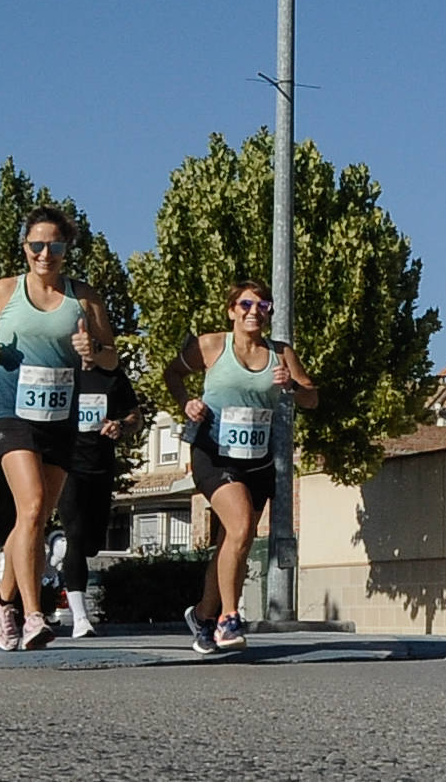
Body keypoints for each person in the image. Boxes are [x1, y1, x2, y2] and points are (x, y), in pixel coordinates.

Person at [0, 205, 118, 651]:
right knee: (31, 507)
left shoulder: (84, 298)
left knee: (34, 517)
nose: (44, 253)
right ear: (25, 248)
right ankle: (33, 615)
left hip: (60, 418)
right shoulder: (3, 291)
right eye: (36, 245)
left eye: (54, 245)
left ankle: (1, 597)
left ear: (66, 249)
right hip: (11, 411)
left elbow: (110, 358)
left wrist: (94, 351)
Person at [164, 280, 317, 653]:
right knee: (242, 526)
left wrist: (292, 388)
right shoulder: (211, 345)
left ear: (269, 313)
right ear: (232, 310)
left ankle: (202, 616)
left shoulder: (280, 353)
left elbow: (312, 397)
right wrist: (187, 402)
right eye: (246, 304)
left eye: (262, 305)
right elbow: (173, 374)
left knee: (235, 541)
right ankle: (229, 618)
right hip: (213, 452)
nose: (254, 311)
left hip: (257, 458)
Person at [57, 364, 142, 637]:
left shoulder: (112, 374)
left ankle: (60, 547)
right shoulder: (60, 368)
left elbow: (136, 417)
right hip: (67, 465)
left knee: (92, 544)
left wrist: (121, 426)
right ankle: (80, 618)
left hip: (102, 467)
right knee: (76, 535)